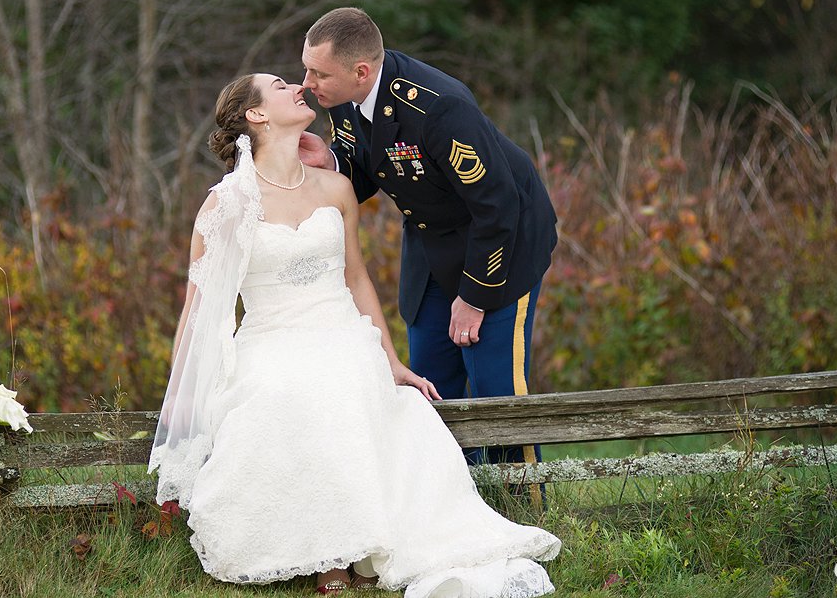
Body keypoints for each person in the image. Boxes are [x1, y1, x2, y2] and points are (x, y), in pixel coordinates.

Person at [149, 73, 561, 597]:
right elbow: (201, 305)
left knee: (363, 390)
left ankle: (349, 554)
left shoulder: (337, 187)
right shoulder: (226, 204)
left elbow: (357, 277)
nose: (297, 86)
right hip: (270, 338)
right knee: (290, 393)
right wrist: (184, 392)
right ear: (256, 116)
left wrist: (391, 360)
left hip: (342, 332)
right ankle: (327, 556)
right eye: (280, 86)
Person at [297, 8, 558, 473]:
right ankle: (457, 503)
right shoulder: (339, 99)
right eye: (307, 68)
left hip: (502, 243)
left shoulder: (439, 106)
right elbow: (366, 170)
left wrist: (475, 296)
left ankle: (523, 507)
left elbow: (497, 206)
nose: (306, 82)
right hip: (431, 243)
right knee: (429, 382)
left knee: (496, 387)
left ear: (362, 71)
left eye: (318, 73)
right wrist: (332, 163)